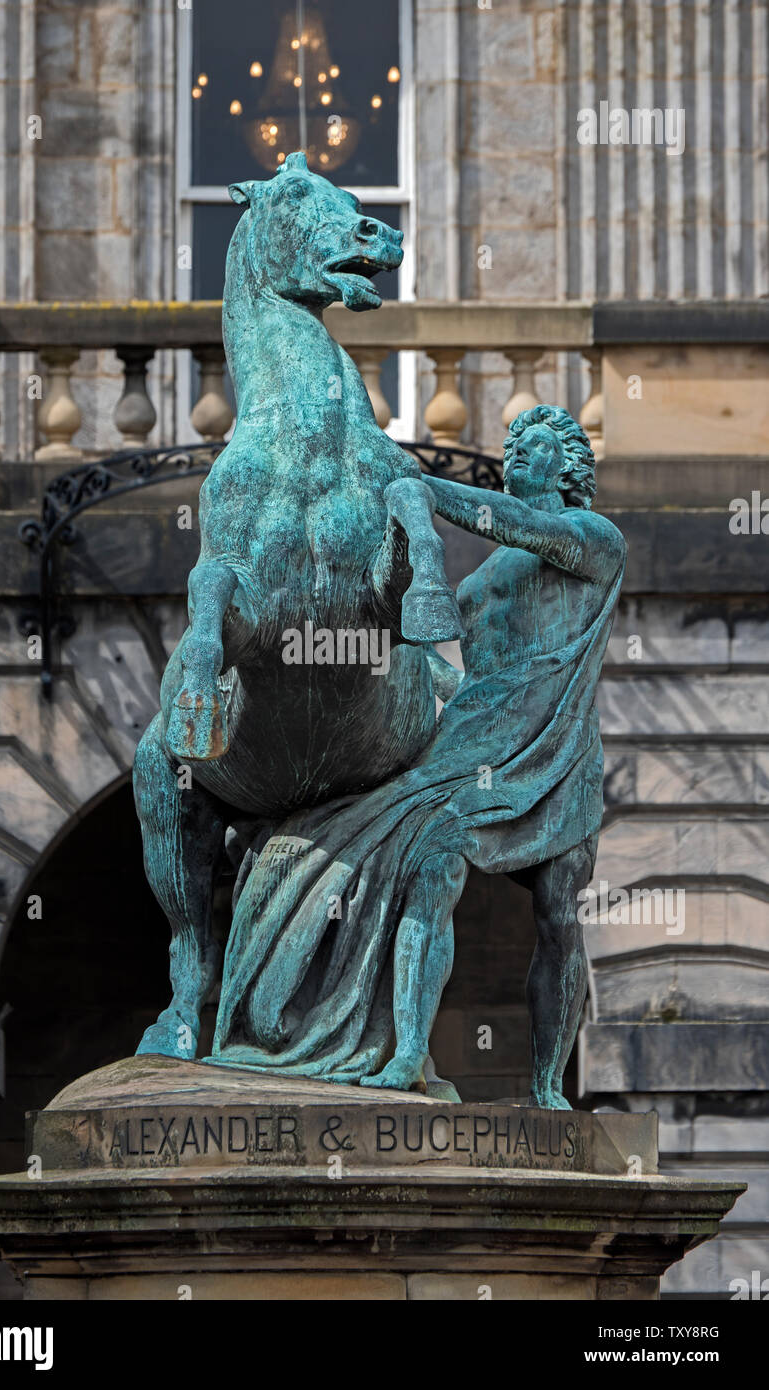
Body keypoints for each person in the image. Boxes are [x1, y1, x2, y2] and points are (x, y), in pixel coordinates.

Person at [206, 406, 626, 1110]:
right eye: (513, 443)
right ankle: (403, 1053)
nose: (519, 453)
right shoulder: (487, 576)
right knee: (427, 863)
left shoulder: (592, 540)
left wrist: (425, 489)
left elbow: (516, 523)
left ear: (570, 467)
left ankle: (549, 1085)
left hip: (552, 749)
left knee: (559, 913)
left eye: (538, 446)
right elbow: (428, 654)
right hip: (470, 741)